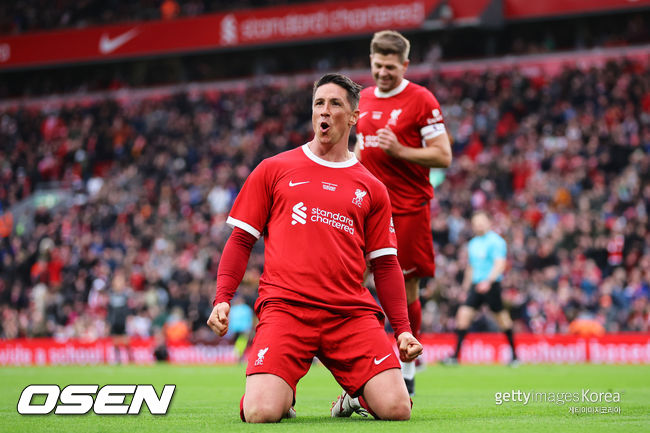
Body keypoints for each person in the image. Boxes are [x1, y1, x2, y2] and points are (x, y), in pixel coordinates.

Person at [206, 73, 423, 423]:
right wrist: (222, 298)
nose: (325, 110)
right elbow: (241, 239)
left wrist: (403, 329)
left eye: (335, 103)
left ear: (353, 117)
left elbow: (385, 264)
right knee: (260, 412)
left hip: (349, 313)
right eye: (319, 103)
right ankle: (282, 392)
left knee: (398, 409)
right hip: (287, 309)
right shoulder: (274, 169)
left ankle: (353, 397)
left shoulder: (372, 188)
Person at [355, 30, 452, 394]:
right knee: (351, 280)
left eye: (391, 67)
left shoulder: (421, 99)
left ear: (405, 65)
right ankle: (362, 361)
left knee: (406, 286)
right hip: (367, 209)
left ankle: (408, 369)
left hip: (408, 208)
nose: (383, 73)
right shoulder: (362, 98)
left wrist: (400, 151)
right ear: (371, 61)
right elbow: (360, 148)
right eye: (378, 65)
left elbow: (443, 155)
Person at [443, 212, 518, 365]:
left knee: (502, 319)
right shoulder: (473, 243)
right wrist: (465, 289)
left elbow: (500, 264)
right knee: (463, 316)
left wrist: (488, 282)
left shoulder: (496, 241)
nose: (479, 225)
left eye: (481, 222)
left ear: (488, 222)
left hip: (491, 285)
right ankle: (455, 356)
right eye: (476, 223)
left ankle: (515, 357)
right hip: (476, 286)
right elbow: (471, 268)